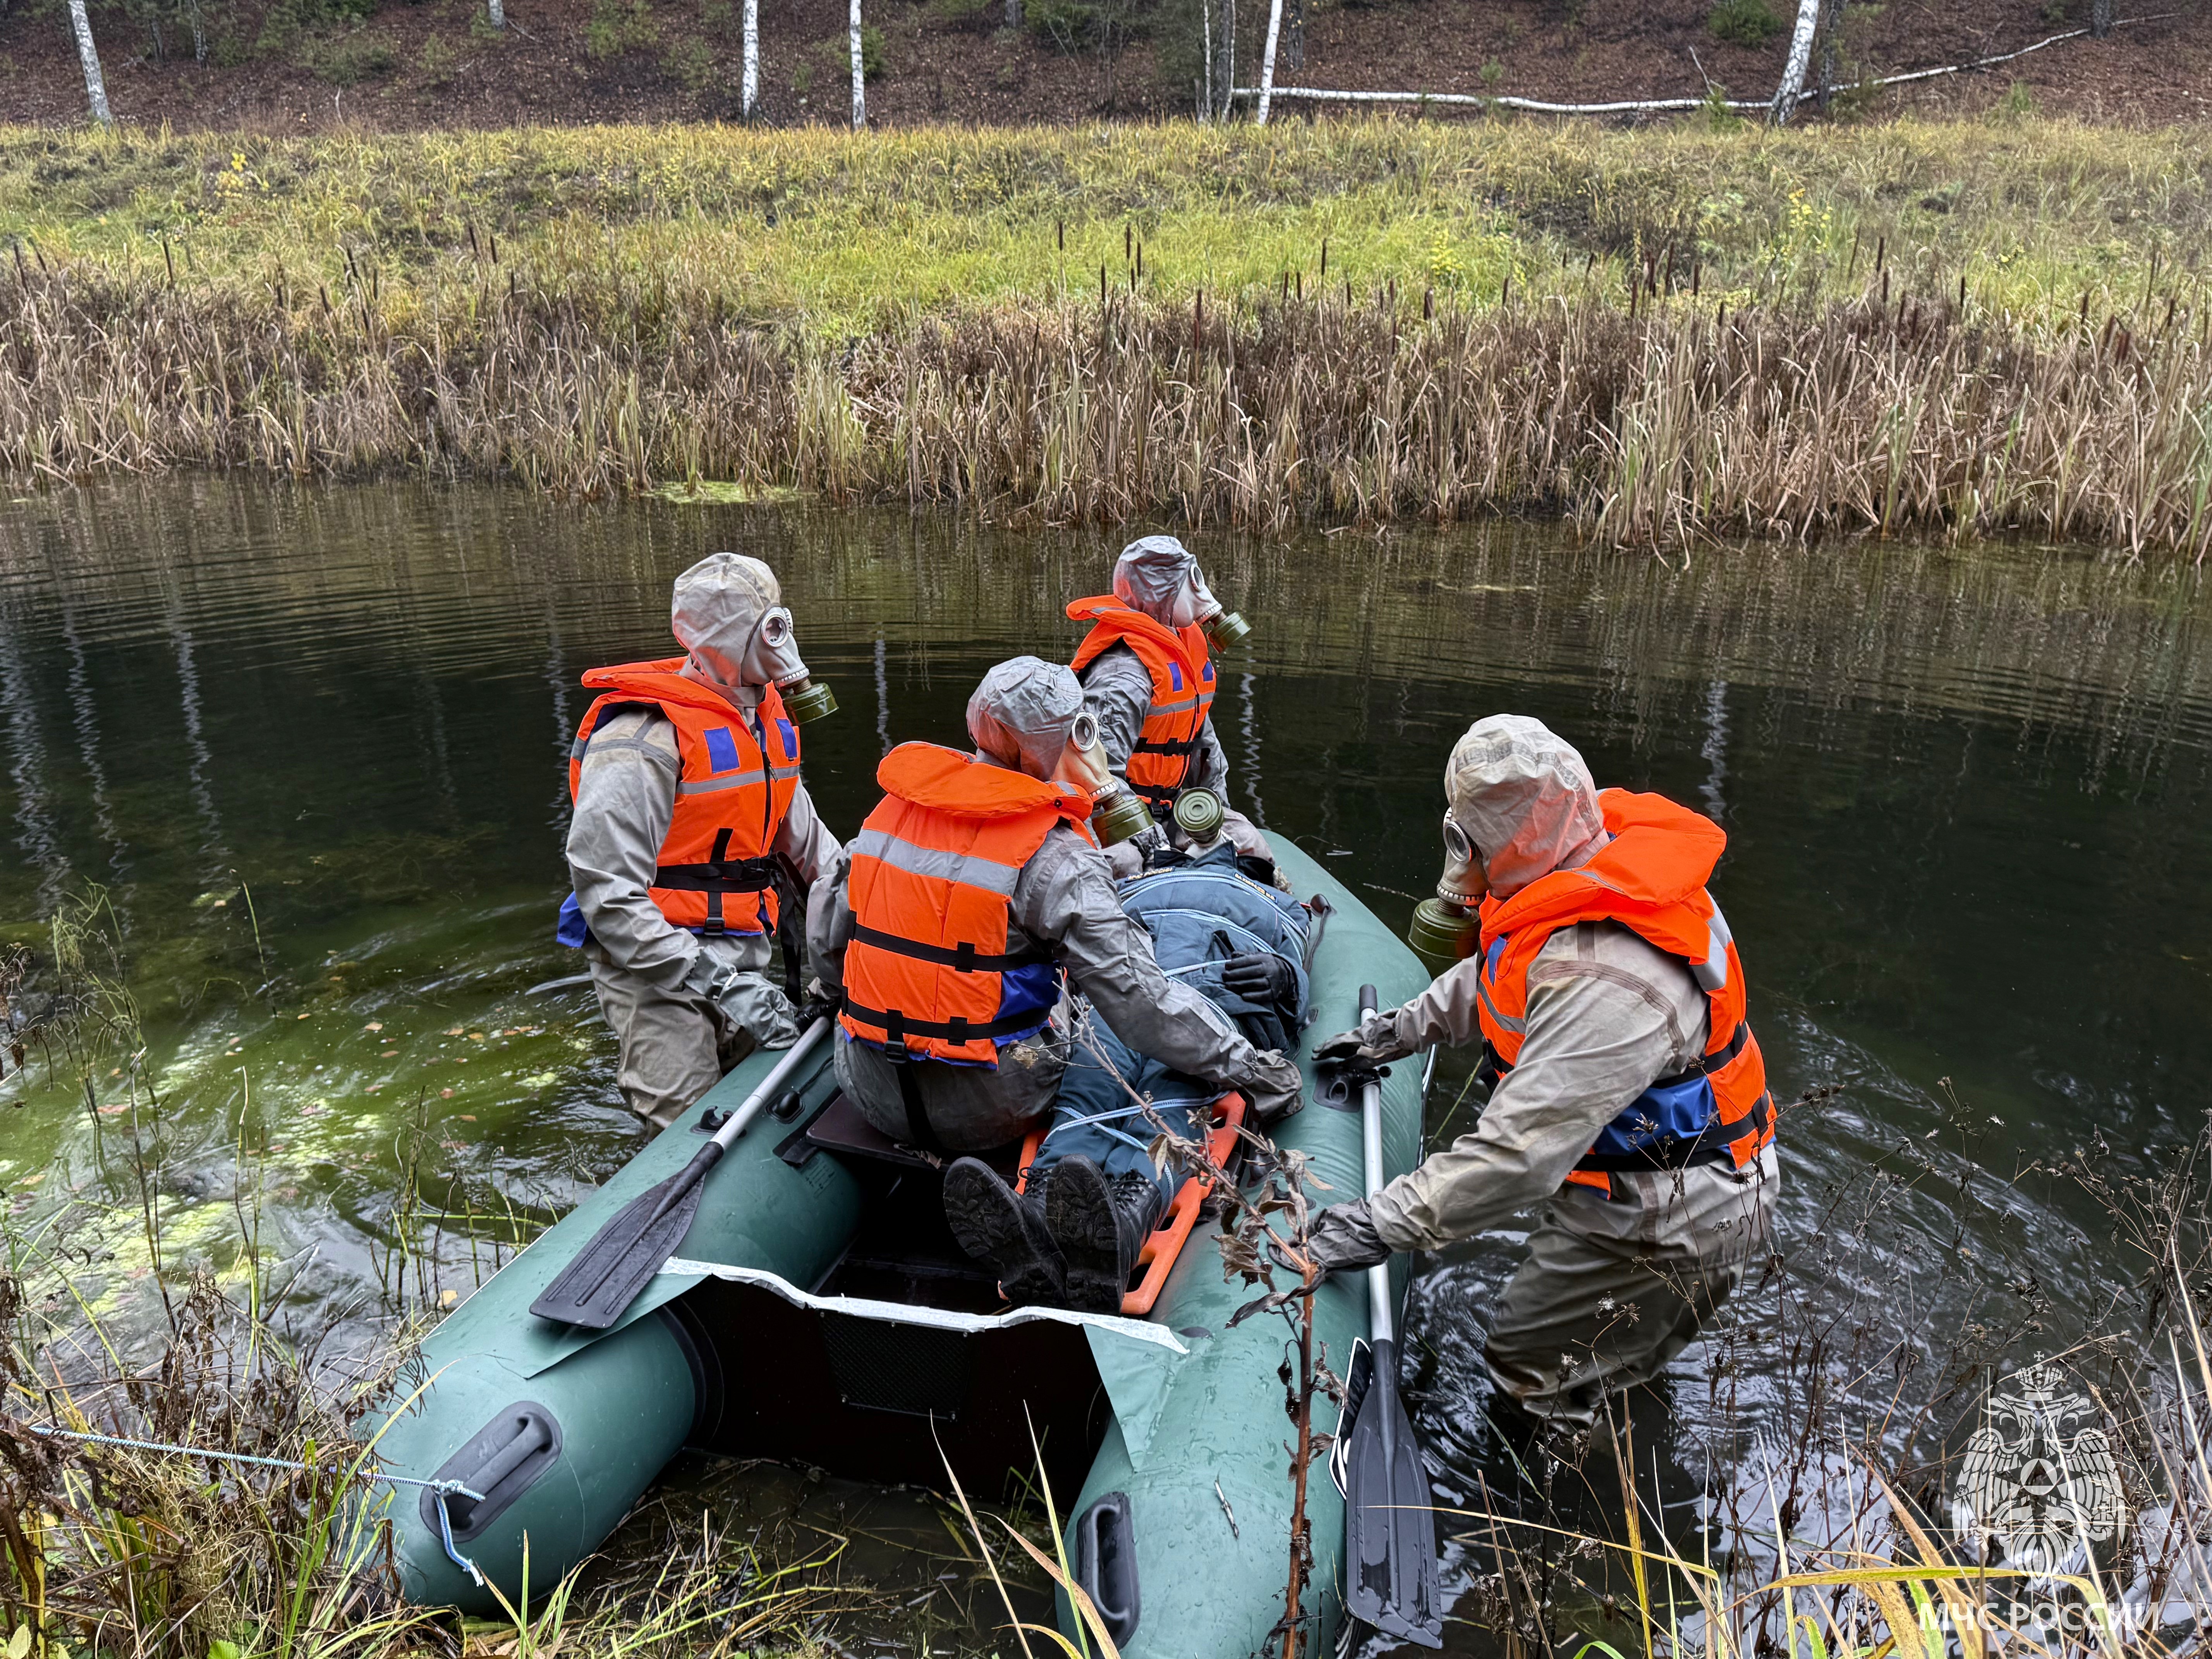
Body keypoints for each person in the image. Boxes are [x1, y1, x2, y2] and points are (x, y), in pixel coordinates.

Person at [1305, 715, 1779, 1434]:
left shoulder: (1603, 971)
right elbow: (1498, 978)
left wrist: (1373, 1223)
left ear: (1497, 836)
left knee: (1526, 1372)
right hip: (1641, 1183)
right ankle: (1615, 1404)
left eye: (1465, 834)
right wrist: (1395, 1032)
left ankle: (1567, 1504)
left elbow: (1517, 1155)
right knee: (1611, 1363)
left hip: (1666, 1212)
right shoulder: (1573, 871)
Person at [806, 657, 1304, 1306]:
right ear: (1064, 740)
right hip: (991, 1104)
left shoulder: (888, 817)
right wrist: (1252, 1067)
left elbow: (825, 943)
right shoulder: (1055, 854)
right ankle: (1094, 1195)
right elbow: (1143, 1003)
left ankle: (1042, 1209)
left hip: (869, 1084)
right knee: (1114, 1027)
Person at [562, 553, 840, 1133]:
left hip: (743, 952)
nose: (780, 641)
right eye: (766, 627)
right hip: (654, 971)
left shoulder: (764, 723)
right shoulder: (640, 740)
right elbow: (608, 896)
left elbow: (817, 856)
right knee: (685, 1128)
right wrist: (720, 984)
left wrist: (863, 928)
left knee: (768, 1114)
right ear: (723, 637)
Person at [1019, 834, 1312, 1312]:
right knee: (1105, 1080)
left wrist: (1282, 975)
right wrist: (1286, 981)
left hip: (1199, 997)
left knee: (1147, 1088)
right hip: (1136, 996)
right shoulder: (1140, 881)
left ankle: (1105, 1215)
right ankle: (1055, 1203)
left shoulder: (1272, 900)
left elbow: (1299, 965)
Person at [1068, 536, 1273, 877]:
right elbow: (1094, 776)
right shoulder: (1124, 675)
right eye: (1186, 581)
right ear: (1158, 593)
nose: (1199, 591)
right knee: (1127, 866)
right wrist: (1153, 846)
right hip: (1119, 822)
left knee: (1249, 845)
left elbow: (1205, 746)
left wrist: (1215, 816)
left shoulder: (1186, 652)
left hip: (1175, 809)